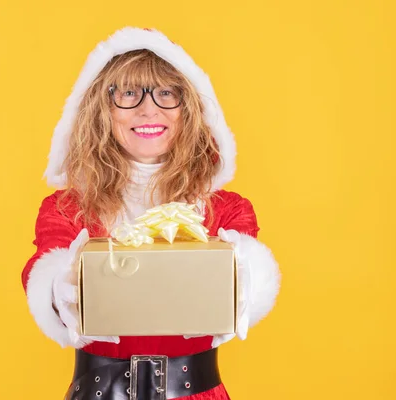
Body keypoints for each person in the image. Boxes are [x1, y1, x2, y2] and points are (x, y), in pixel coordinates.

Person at [21, 27, 281, 400]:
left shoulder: (226, 211)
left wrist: (244, 278)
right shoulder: (67, 210)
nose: (149, 109)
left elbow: (250, 283)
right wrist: (60, 289)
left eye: (166, 94)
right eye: (128, 93)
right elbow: (41, 271)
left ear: (190, 110)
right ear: (102, 110)